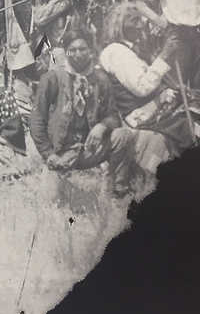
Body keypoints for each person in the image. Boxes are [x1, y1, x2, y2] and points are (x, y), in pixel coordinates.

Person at [29, 28, 144, 197]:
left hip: (90, 149)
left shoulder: (100, 79)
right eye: (73, 50)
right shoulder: (52, 78)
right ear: (66, 52)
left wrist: (102, 126)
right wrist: (48, 153)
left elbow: (113, 115)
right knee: (52, 199)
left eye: (83, 49)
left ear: (91, 51)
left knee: (123, 136)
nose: (78, 54)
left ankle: (118, 188)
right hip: (61, 153)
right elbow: (36, 119)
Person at [99, 2, 200, 157]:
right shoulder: (115, 52)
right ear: (119, 25)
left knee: (198, 100)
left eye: (139, 20)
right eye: (133, 21)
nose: (139, 25)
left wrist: (172, 87)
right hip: (140, 115)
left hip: (152, 107)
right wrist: (164, 54)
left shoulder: (131, 49)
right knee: (189, 121)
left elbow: (152, 79)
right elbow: (142, 87)